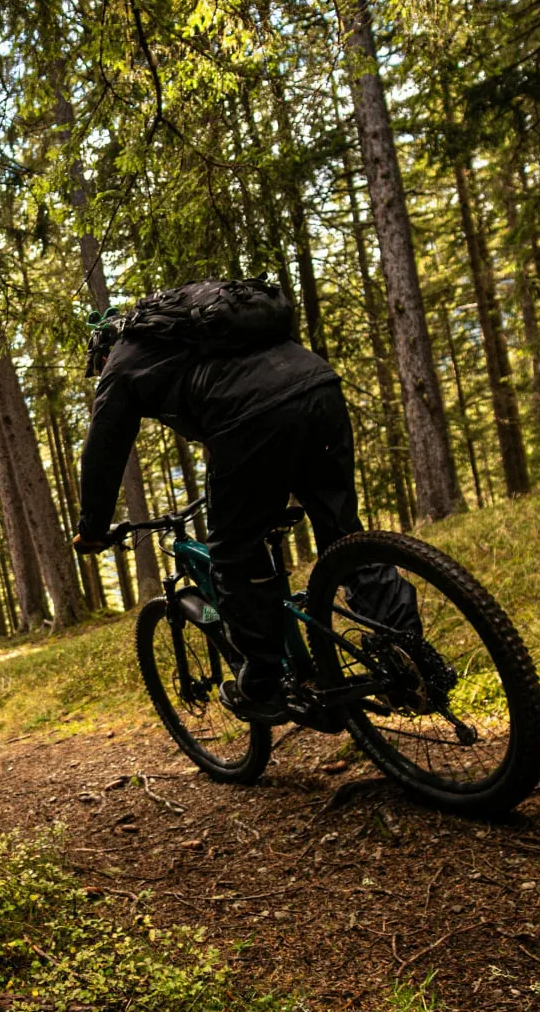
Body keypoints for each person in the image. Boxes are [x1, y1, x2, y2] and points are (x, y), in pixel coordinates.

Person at [73, 280, 419, 725]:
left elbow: (102, 454)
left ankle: (263, 685)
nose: (102, 371)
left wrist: (92, 528)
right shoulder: (198, 329)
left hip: (253, 420)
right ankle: (407, 656)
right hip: (319, 388)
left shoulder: (123, 363)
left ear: (104, 352)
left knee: (233, 555)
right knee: (343, 536)